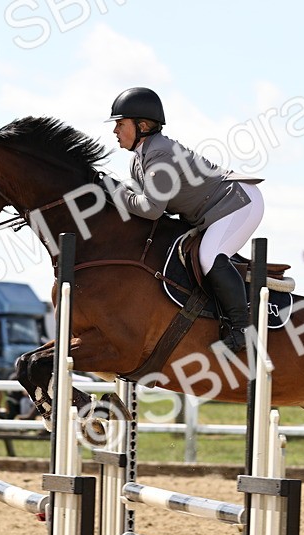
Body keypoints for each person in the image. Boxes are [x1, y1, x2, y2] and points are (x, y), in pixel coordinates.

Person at [107, 87, 264, 352]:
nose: (115, 130)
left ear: (142, 126)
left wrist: (114, 192)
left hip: (238, 203)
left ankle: (242, 329)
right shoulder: (139, 159)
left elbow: (151, 209)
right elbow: (137, 200)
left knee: (209, 257)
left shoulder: (160, 154)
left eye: (121, 124)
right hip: (214, 210)